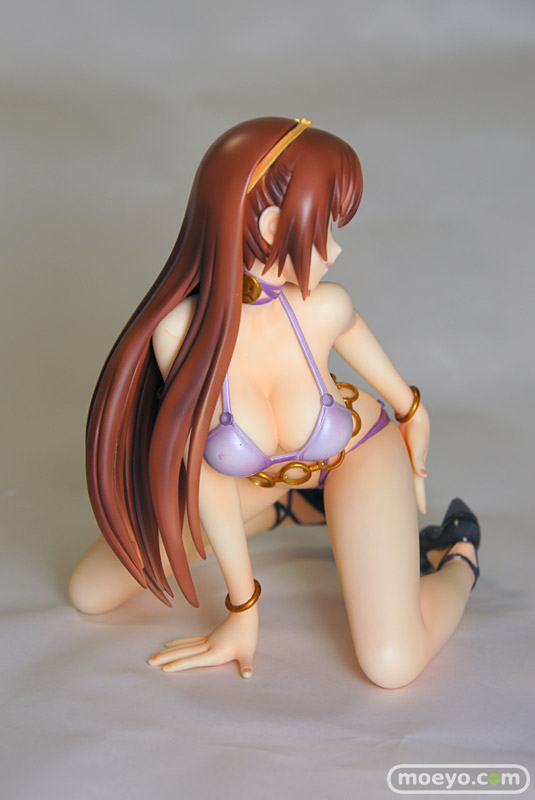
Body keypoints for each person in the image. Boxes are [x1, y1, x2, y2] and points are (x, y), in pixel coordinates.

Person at [69, 117, 480, 687]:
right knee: (88, 591)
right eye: (323, 227)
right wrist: (243, 608)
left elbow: (402, 398)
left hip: (353, 456)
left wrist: (414, 417)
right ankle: (289, 505)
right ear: (267, 225)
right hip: (256, 478)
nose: (336, 248)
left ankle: (459, 551)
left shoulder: (323, 309)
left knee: (392, 663)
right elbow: (205, 480)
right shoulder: (180, 334)